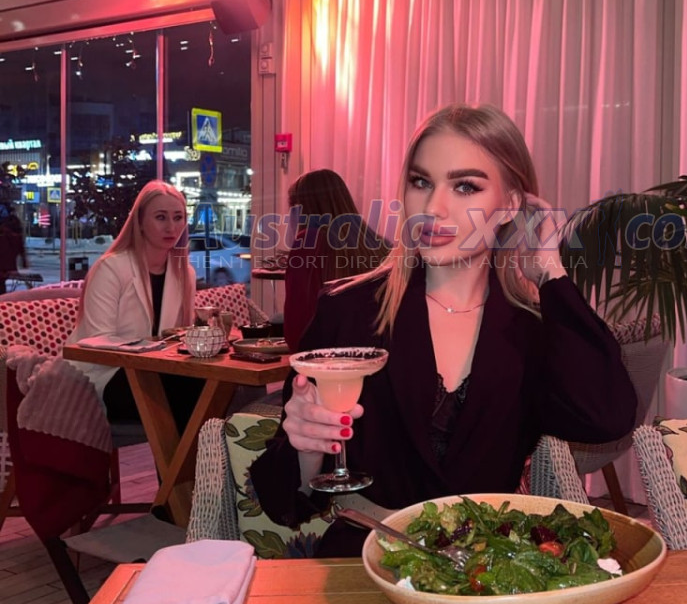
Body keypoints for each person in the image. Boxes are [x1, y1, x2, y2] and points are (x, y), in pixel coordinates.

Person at [251, 103, 637, 556]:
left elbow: (605, 418)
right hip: (366, 560)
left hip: (486, 569)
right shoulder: (348, 311)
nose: (433, 208)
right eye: (421, 182)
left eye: (465, 186)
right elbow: (281, 501)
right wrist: (306, 449)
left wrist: (551, 272)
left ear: (510, 204)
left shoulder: (532, 329)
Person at [68, 181, 201, 430]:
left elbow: (180, 337)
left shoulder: (185, 273)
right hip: (105, 374)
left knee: (213, 386)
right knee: (188, 391)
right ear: (139, 222)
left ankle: (196, 457)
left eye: (178, 217)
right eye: (160, 217)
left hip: (157, 371)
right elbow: (98, 341)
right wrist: (153, 352)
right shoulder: (111, 267)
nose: (171, 227)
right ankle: (192, 457)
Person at [283, 168, 391, 351]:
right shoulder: (380, 245)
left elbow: (297, 327)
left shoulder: (308, 242)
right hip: (379, 358)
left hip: (327, 359)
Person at [0, 208, 28, 294]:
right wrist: (24, 263)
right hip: (10, 268)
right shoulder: (17, 238)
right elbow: (22, 252)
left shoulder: (3, 236)